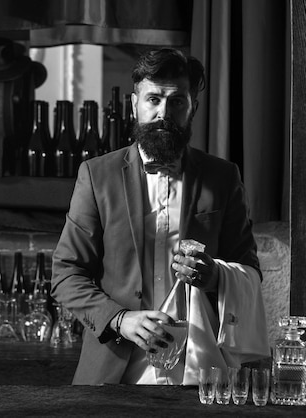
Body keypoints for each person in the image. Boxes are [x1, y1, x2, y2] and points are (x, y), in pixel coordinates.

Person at [52, 47, 269, 385]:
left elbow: (249, 270)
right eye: (153, 99)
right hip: (115, 372)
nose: (163, 113)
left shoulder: (223, 177)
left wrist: (215, 277)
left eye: (177, 102)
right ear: (134, 103)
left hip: (200, 373)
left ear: (193, 108)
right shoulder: (97, 176)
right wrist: (120, 319)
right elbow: (66, 274)